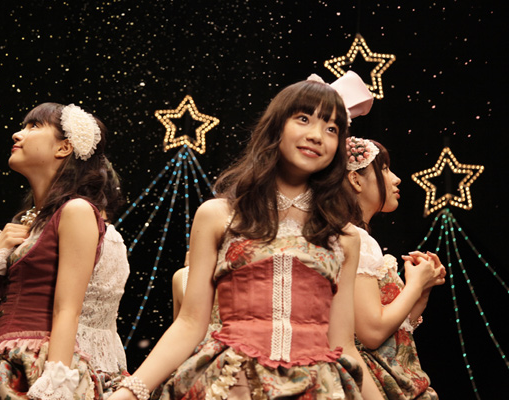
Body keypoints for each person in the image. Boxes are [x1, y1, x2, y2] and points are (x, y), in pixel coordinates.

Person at [109, 71, 374, 400]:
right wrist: (129, 392)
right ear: (276, 126)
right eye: (304, 119)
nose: (317, 136)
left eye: (332, 128)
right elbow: (190, 323)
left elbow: (343, 344)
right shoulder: (218, 215)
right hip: (233, 383)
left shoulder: (344, 237)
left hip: (316, 389)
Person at [0, 102, 129, 400]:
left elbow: (67, 310)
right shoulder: (22, 226)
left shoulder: (76, 211)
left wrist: (55, 385)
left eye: (34, 126)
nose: (17, 134)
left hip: (36, 363)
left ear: (64, 148)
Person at [344, 136, 445, 399]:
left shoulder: (358, 238)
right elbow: (372, 334)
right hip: (371, 380)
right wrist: (414, 284)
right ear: (355, 180)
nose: (396, 179)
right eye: (384, 169)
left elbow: (391, 331)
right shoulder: (355, 240)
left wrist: (421, 293)